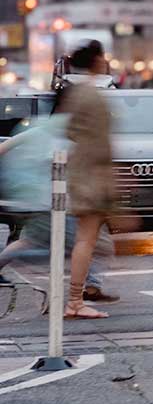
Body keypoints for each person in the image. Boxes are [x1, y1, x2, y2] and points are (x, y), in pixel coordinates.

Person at [0, 85, 117, 300]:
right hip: (57, 200)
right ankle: (89, 288)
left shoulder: (41, 125)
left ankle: (91, 285)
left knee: (31, 239)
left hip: (30, 198)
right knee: (95, 243)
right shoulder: (71, 128)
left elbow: (4, 148)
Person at [62, 41, 117, 318]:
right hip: (92, 175)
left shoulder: (76, 93)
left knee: (87, 239)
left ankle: (75, 299)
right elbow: (101, 146)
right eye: (103, 56)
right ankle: (75, 300)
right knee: (86, 239)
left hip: (81, 171)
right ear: (96, 60)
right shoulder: (93, 96)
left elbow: (71, 131)